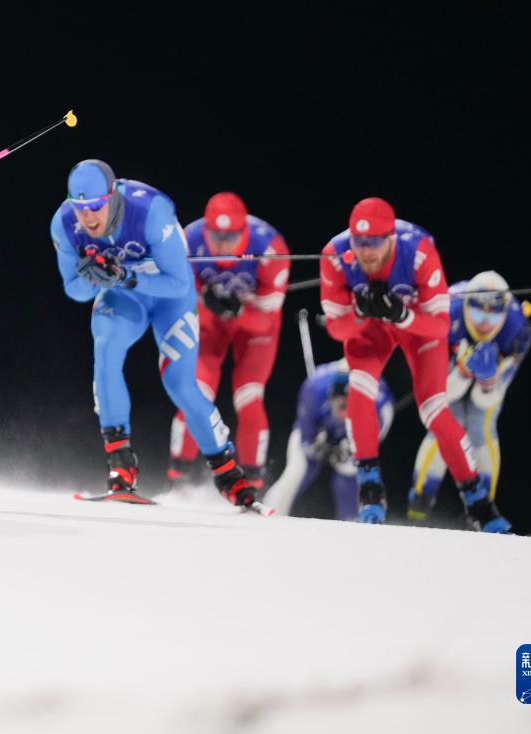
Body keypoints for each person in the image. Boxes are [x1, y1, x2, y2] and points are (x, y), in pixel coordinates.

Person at [50, 160, 260, 510]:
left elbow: (178, 283)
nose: (88, 216)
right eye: (80, 207)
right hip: (124, 298)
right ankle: (121, 465)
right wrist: (94, 278)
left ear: (112, 196)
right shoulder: (63, 224)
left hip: (169, 301)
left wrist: (125, 276)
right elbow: (74, 290)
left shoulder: (150, 211)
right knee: (106, 352)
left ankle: (229, 474)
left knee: (180, 384)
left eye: (96, 206)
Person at [319, 196, 510, 531]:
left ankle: (479, 504)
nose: (366, 252)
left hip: (417, 325)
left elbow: (439, 325)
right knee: (359, 389)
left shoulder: (420, 251)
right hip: (372, 328)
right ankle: (370, 491)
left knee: (434, 408)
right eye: (359, 242)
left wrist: (402, 314)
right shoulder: (335, 255)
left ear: (391, 239)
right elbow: (336, 328)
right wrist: (360, 312)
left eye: (374, 243)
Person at [167, 193, 290, 490]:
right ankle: (178, 478)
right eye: (216, 237)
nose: (223, 245)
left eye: (231, 238)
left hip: (255, 330)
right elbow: (177, 298)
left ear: (243, 233)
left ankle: (252, 482)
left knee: (249, 396)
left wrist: (240, 311)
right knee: (195, 392)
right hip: (210, 326)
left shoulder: (270, 247)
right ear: (206, 230)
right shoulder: (188, 241)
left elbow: (267, 316)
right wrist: (203, 299)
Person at [407, 271, 531, 521]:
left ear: (504, 313)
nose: (484, 323)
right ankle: (419, 504)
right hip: (449, 369)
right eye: (477, 313)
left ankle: (483, 512)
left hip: (488, 378)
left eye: (493, 315)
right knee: (445, 424)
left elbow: (488, 400)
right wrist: (462, 371)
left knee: (482, 427)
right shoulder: (445, 311)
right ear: (465, 306)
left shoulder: (519, 332)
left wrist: (488, 380)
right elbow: (440, 392)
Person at [268, 361, 394, 520]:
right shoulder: (314, 389)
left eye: (348, 405)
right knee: (297, 470)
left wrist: (350, 449)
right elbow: (305, 434)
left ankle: (353, 521)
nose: (342, 411)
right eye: (338, 403)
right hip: (319, 431)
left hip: (354, 436)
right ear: (331, 395)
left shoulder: (380, 404)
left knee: (349, 470)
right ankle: (270, 513)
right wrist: (315, 445)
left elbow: (372, 442)